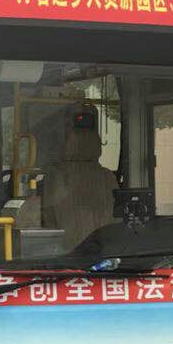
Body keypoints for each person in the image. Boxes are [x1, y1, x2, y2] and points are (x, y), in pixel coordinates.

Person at [41, 103, 119, 248]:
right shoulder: (108, 177)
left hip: (67, 252)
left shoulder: (56, 177)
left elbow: (48, 221)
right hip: (105, 249)